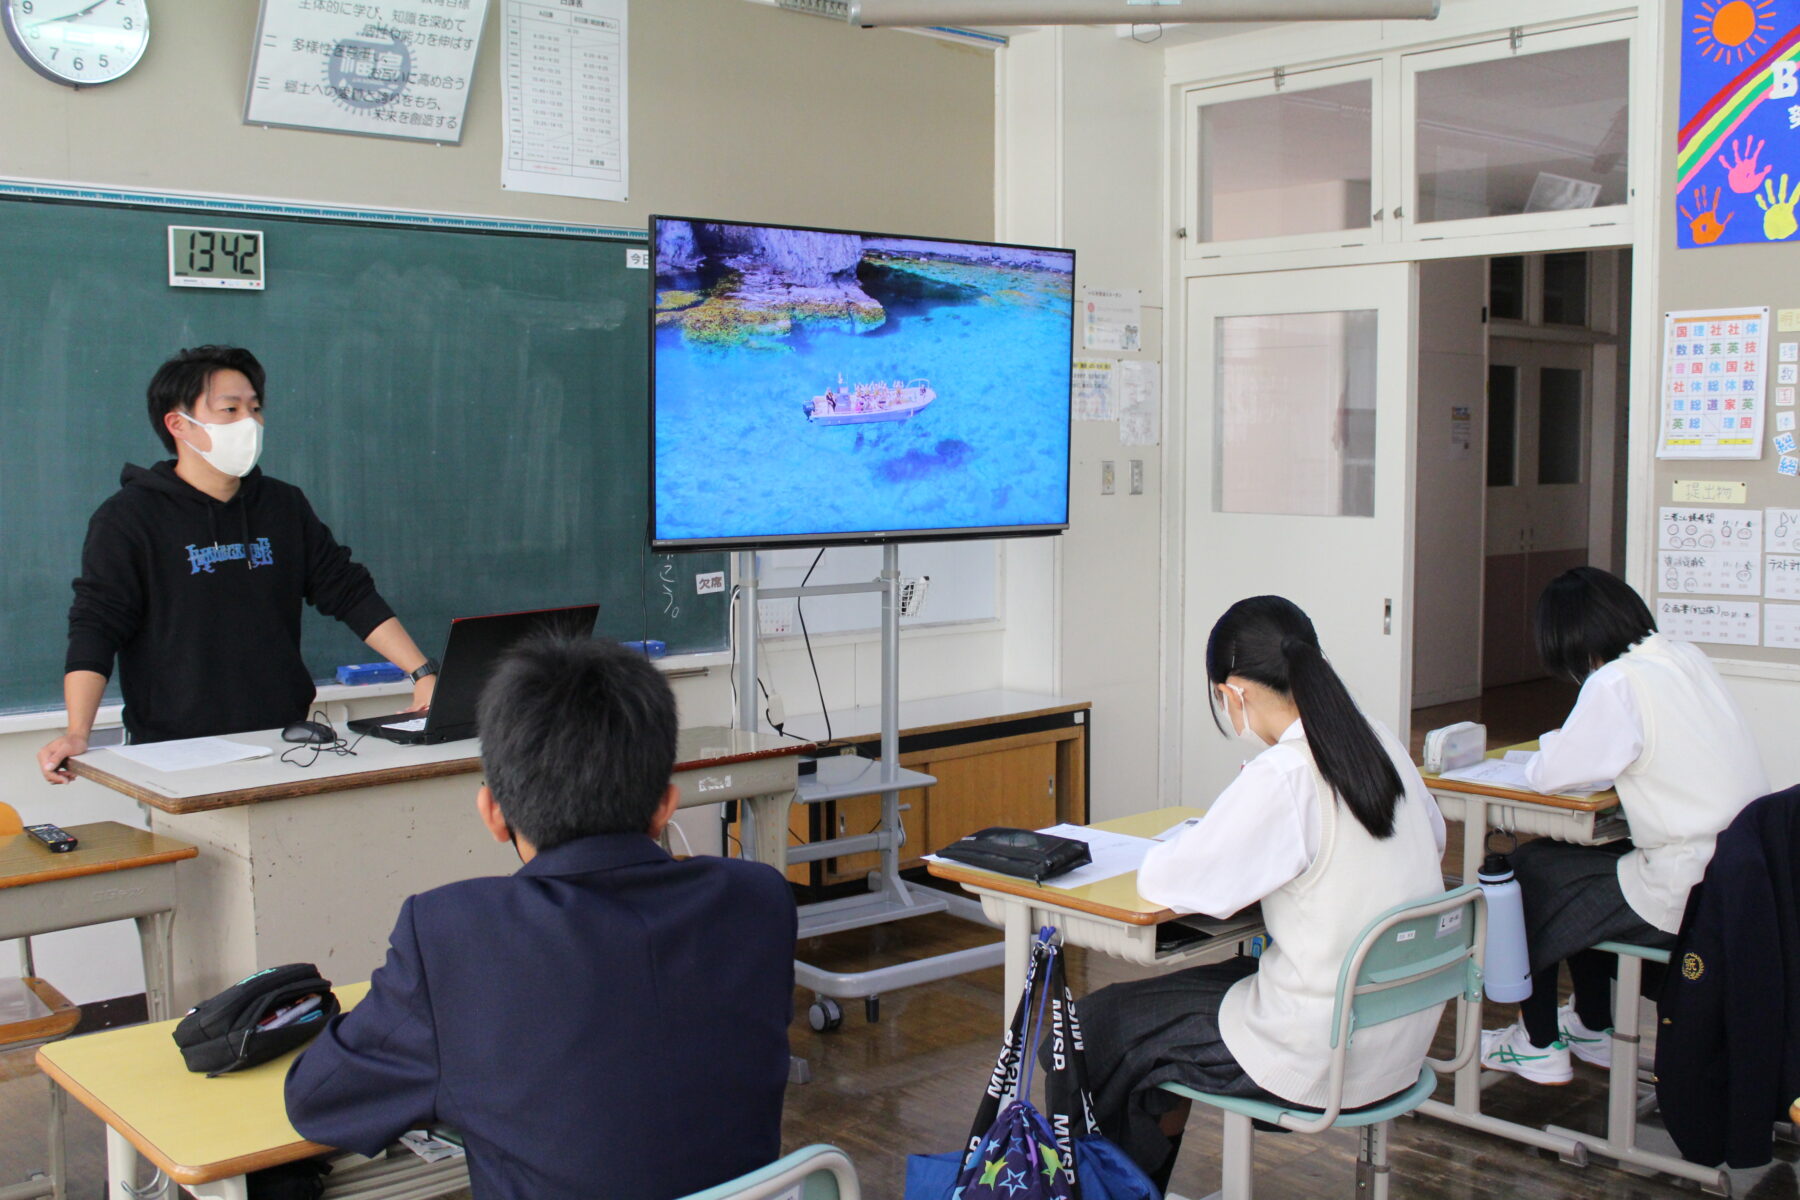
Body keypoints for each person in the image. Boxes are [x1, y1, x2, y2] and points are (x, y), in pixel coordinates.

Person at [284, 635, 798, 1199]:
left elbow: (317, 1102)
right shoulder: (759, 901)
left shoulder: (455, 937)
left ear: (493, 814)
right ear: (666, 805)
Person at [1074, 596, 1447, 1187]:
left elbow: (1172, 881)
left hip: (1313, 1055)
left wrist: (1201, 840)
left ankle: (1109, 1189)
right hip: (1397, 1038)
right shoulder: (1376, 740)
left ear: (1236, 691)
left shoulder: (1286, 774)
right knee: (1162, 1017)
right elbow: (1433, 835)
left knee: (1093, 1027)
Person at [37, 346, 438, 778]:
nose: (249, 422)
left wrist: (422, 673)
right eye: (230, 409)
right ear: (178, 424)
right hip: (176, 750)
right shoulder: (128, 518)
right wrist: (78, 730)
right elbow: (97, 624)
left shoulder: (283, 505)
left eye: (255, 408)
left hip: (285, 738)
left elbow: (348, 590)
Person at [1479, 567, 1768, 1084]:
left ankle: (1537, 1042)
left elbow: (1555, 773)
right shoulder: (1683, 655)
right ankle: (1592, 1027)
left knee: (1525, 874)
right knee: (1571, 867)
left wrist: (1545, 745)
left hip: (1685, 887)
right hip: (1737, 878)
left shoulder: (1617, 681)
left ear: (1570, 639)